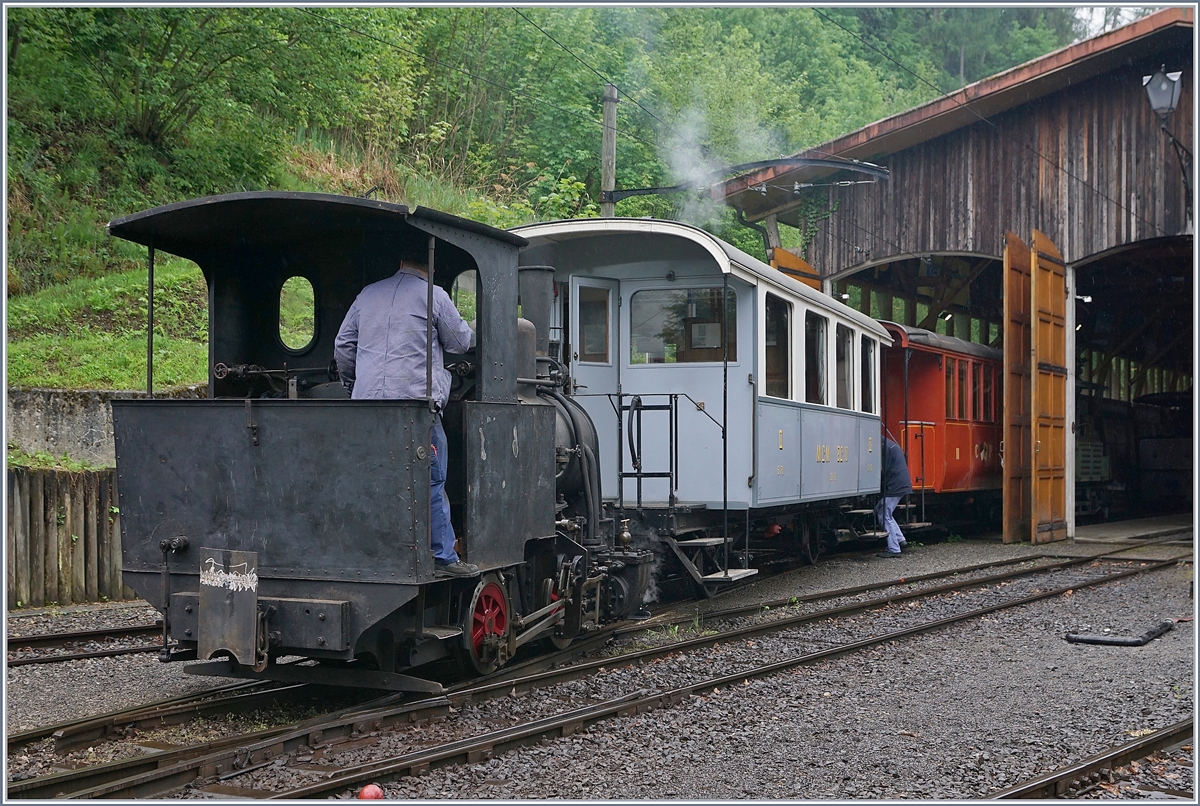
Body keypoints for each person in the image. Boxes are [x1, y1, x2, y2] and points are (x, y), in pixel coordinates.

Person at [334, 258, 478, 578]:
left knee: (368, 478)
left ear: (399, 262)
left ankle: (370, 551)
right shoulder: (434, 295)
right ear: (432, 265)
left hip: (367, 409)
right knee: (430, 479)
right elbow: (460, 342)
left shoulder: (367, 295)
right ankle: (442, 556)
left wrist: (353, 386)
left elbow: (343, 346)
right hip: (416, 409)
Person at [875, 435, 913, 559]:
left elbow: (884, 470)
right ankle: (900, 539)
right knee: (885, 512)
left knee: (883, 514)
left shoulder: (884, 447)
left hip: (895, 485)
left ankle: (894, 548)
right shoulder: (890, 444)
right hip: (899, 483)